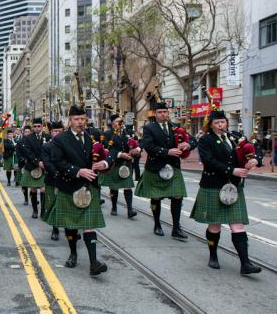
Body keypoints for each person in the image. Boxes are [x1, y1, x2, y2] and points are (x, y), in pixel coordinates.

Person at [189, 110, 262, 275]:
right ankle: (213, 256)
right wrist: (232, 171)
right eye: (217, 123)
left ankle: (245, 263)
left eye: (223, 122)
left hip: (233, 187)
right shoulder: (206, 140)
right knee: (215, 224)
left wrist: (255, 160)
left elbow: (255, 149)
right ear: (211, 125)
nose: (221, 125)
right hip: (214, 185)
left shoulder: (235, 136)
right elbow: (209, 162)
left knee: (237, 224)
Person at [46, 106, 112, 275]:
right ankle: (73, 253)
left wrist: (104, 164)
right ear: (70, 121)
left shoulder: (92, 138)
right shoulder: (60, 139)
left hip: (89, 187)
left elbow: (107, 154)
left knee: (89, 225)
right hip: (69, 186)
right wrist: (78, 171)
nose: (81, 122)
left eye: (83, 119)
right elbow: (57, 162)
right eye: (77, 119)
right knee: (71, 225)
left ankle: (93, 263)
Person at [135, 102, 197, 239]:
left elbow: (193, 140)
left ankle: (176, 228)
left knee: (177, 196)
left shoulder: (175, 127)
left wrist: (188, 144)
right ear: (155, 114)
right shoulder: (149, 128)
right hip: (155, 167)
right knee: (156, 197)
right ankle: (157, 224)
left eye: (165, 112)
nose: (163, 114)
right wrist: (167, 151)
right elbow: (148, 146)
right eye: (160, 112)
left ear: (168, 113)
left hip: (173, 168)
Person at [99, 114, 139, 218]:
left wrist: (135, 151)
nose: (120, 124)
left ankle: (130, 209)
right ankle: (114, 207)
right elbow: (107, 150)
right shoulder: (107, 134)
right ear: (112, 123)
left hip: (126, 164)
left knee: (128, 187)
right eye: (118, 121)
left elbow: (134, 145)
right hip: (114, 164)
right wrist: (120, 154)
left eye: (121, 121)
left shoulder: (127, 133)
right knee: (114, 187)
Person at [19, 118, 51, 218]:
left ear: (42, 126)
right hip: (32, 166)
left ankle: (43, 210)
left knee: (43, 190)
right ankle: (35, 210)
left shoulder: (47, 137)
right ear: (32, 127)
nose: (37, 128)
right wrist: (38, 162)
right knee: (33, 190)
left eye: (39, 126)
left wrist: (44, 162)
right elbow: (28, 153)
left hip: (44, 167)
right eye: (35, 126)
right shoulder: (28, 138)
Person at [41, 121, 64, 240]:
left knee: (66, 204)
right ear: (51, 132)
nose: (57, 133)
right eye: (55, 131)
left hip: (67, 179)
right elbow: (47, 162)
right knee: (53, 203)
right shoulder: (46, 146)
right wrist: (56, 173)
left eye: (59, 131)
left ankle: (71, 228)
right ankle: (55, 229)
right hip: (52, 178)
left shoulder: (68, 145)